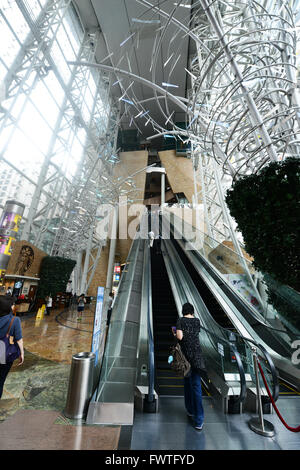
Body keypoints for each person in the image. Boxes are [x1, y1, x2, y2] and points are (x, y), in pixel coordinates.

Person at [175, 302, 204, 431]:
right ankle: (199, 420)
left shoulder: (181, 320)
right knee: (197, 386)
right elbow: (195, 334)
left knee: (187, 382)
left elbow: (180, 337)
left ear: (183, 311)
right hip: (197, 357)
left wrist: (174, 333)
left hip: (186, 358)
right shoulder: (197, 321)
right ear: (192, 311)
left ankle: (190, 410)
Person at [0, 295, 24, 399]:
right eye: (12, 304)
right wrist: (22, 353)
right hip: (4, 354)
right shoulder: (15, 320)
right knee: (0, 379)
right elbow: (19, 339)